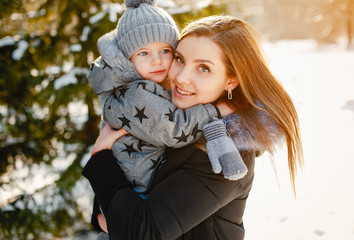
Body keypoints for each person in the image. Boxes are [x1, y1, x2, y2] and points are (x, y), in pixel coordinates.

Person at [83, 15, 304, 239]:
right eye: (179, 59)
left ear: (231, 81)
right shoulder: (161, 115)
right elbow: (106, 209)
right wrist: (110, 214)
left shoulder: (225, 153)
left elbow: (140, 233)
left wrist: (101, 158)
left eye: (204, 69)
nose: (182, 78)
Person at [88, 0, 248, 199]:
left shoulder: (150, 83)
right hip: (138, 189)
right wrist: (215, 111)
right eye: (144, 53)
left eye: (165, 51)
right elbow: (172, 129)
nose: (157, 61)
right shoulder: (135, 93)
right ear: (127, 59)